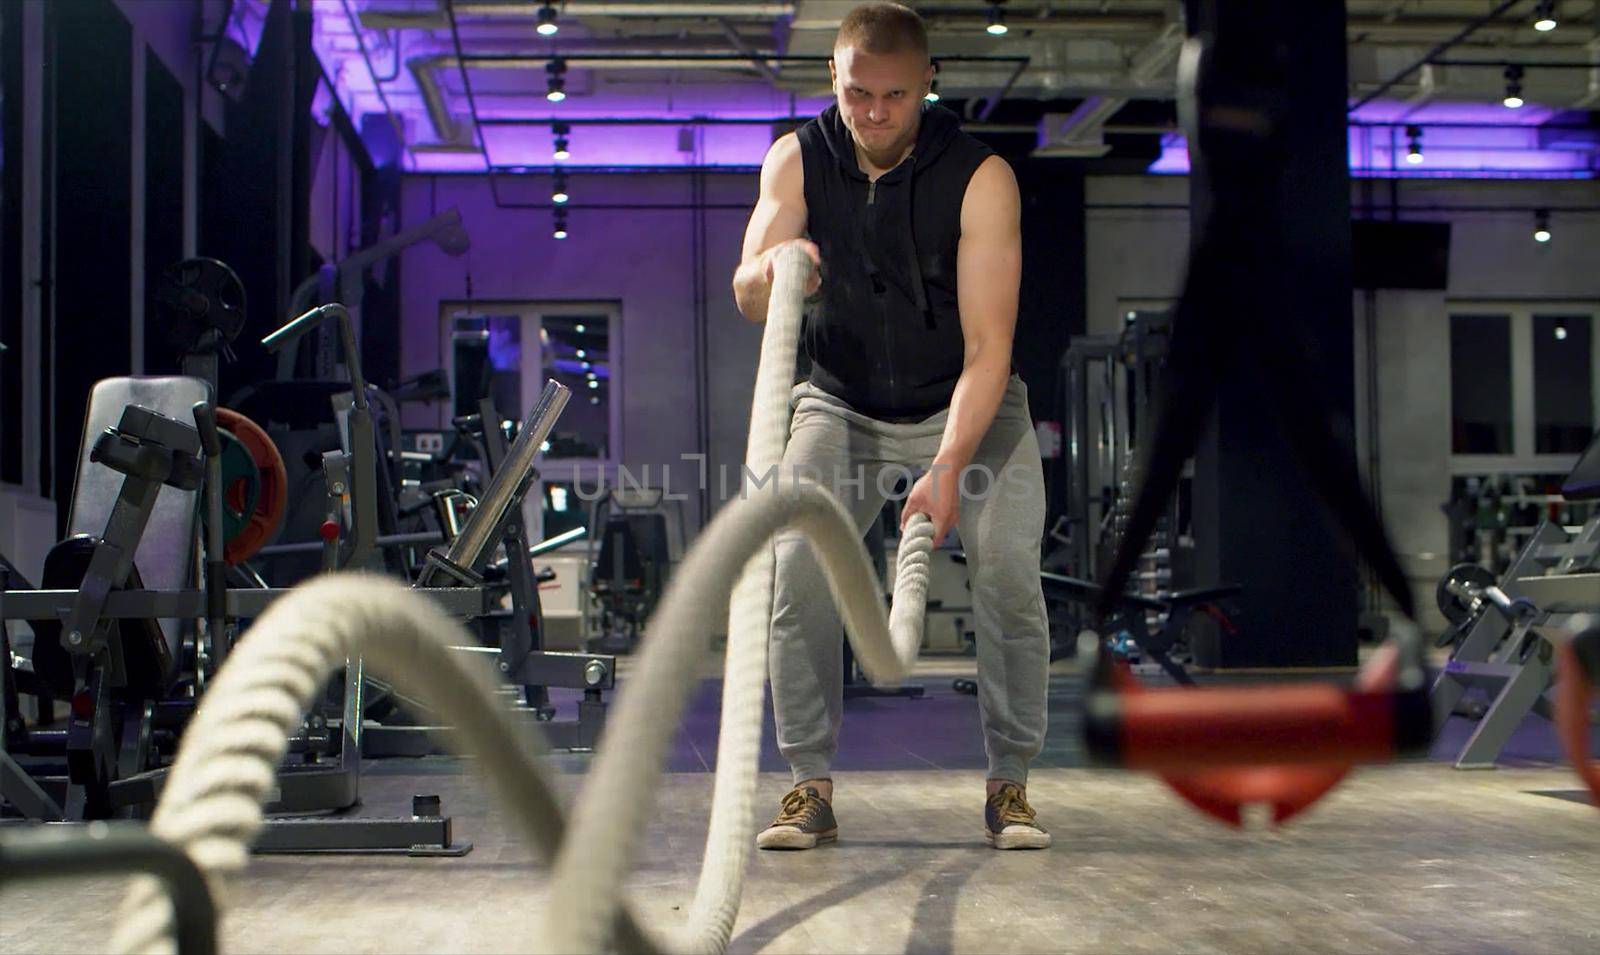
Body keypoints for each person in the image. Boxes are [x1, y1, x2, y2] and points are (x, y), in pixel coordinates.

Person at [731, 1, 1051, 851]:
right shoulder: (796, 161)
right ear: (833, 79)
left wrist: (948, 465)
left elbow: (990, 347)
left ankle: (1010, 783)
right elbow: (745, 292)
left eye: (895, 97)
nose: (873, 114)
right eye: (857, 93)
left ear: (929, 86)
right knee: (795, 562)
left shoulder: (981, 175)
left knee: (1009, 564)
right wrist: (775, 269)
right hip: (839, 401)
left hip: (969, 401)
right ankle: (808, 786)